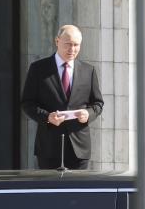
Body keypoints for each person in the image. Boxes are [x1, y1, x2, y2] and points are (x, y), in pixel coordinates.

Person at [21, 24, 104, 169]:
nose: (72, 49)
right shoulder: (38, 69)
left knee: (78, 191)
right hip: (49, 146)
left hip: (79, 148)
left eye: (76, 45)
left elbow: (97, 103)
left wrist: (88, 114)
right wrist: (47, 117)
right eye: (68, 44)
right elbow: (27, 103)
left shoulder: (88, 70)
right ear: (57, 41)